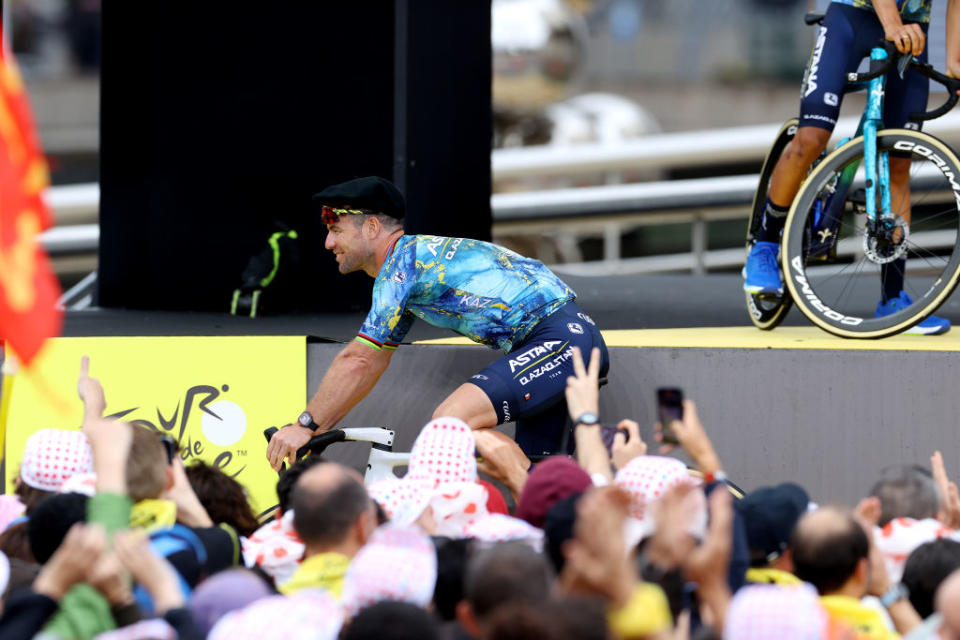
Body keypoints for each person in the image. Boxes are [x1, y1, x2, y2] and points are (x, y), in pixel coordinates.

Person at [266, 176, 609, 476]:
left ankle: (587, 464)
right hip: (560, 340)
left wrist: (303, 425)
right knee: (542, 485)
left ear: (371, 228)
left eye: (335, 230)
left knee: (449, 424)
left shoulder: (402, 267)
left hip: (558, 341)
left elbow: (358, 360)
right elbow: (371, 365)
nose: (328, 243)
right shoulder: (415, 269)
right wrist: (314, 430)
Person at [743, 0, 960, 335]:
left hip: (913, 28)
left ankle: (893, 297)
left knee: (899, 163)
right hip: (853, 18)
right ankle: (766, 246)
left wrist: (955, 64)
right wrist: (891, 24)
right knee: (811, 138)